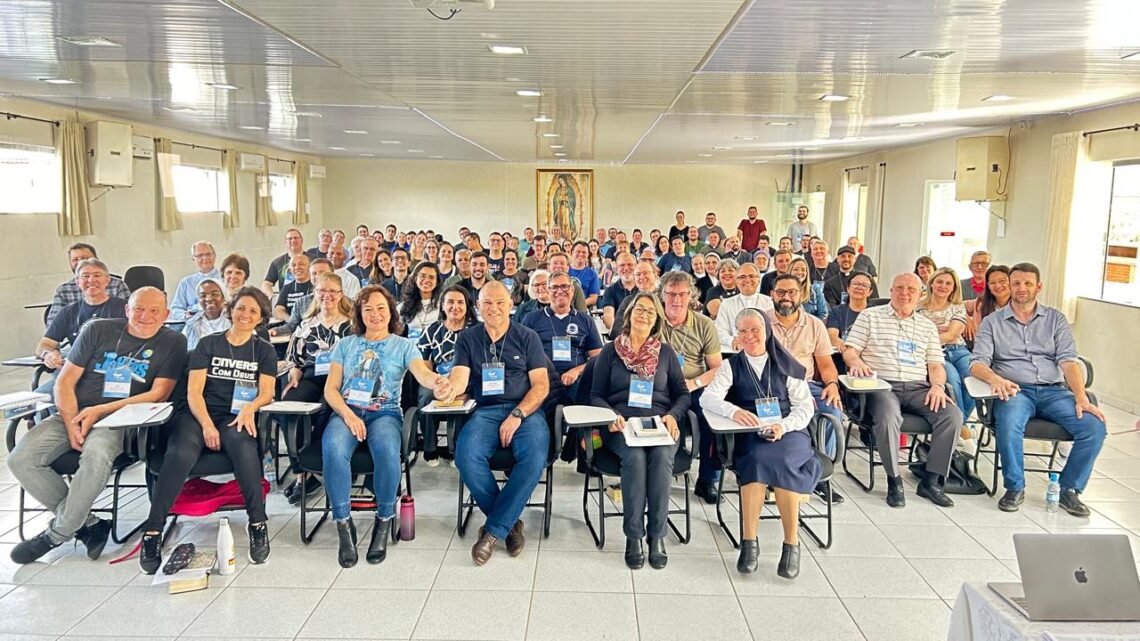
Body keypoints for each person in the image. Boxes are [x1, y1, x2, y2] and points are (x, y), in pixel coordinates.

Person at [9, 288, 186, 564]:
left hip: (120, 420)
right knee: (20, 459)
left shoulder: (173, 341)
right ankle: (89, 523)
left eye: (154, 311)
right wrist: (71, 423)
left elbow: (159, 393)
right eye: (138, 309)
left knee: (95, 456)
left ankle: (56, 535)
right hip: (73, 413)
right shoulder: (96, 330)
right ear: (127, 309)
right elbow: (64, 382)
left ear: (166, 315)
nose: (145, 316)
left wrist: (99, 411)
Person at [138, 288, 277, 574]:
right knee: (180, 454)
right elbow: (193, 392)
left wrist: (250, 408)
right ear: (231, 310)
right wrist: (206, 425)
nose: (245, 315)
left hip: (236, 414)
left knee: (245, 449)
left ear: (261, 317)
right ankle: (153, 531)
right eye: (241, 308)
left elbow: (266, 393)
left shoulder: (263, 350)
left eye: (253, 311)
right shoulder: (208, 344)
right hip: (197, 413)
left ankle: (257, 523)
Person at [323, 286, 447, 567]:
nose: (375, 314)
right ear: (359, 313)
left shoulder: (403, 345)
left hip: (385, 413)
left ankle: (383, 520)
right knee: (333, 449)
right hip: (347, 411)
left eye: (381, 308)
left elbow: (422, 373)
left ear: (391, 312)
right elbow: (331, 389)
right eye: (368, 309)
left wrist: (437, 382)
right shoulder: (346, 344)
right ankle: (344, 524)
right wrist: (348, 416)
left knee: (389, 453)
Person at [969, 263, 1106, 517]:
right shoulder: (992, 322)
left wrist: (1081, 397)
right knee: (1008, 423)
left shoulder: (1055, 319)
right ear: (1009, 286)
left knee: (1093, 426)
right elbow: (977, 362)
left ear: (1038, 287)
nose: (1021, 288)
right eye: (1016, 283)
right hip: (1014, 391)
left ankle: (1069, 490)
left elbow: (1068, 360)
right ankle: (1015, 487)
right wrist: (995, 379)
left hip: (1053, 391)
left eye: (1027, 283)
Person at [435, 282, 551, 566]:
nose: (494, 308)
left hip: (525, 410)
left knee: (535, 456)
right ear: (478, 306)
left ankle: (491, 532)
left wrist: (518, 414)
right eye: (487, 303)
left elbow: (541, 386)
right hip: (485, 410)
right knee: (466, 455)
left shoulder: (528, 336)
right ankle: (510, 526)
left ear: (511, 303)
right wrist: (447, 388)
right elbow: (460, 377)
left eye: (500, 302)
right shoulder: (468, 338)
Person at [702, 309, 819, 578]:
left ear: (767, 331)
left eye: (755, 330)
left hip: (789, 431)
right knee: (755, 462)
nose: (749, 336)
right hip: (753, 431)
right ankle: (749, 542)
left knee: (785, 463)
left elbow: (804, 408)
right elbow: (708, 398)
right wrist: (734, 411)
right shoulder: (732, 365)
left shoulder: (785, 364)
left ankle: (791, 543)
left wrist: (782, 426)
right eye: (742, 331)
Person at [841, 273, 962, 508]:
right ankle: (894, 479)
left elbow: (936, 365)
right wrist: (856, 362)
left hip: (919, 387)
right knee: (888, 417)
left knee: (952, 415)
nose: (904, 293)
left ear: (920, 295)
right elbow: (849, 350)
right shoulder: (870, 316)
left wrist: (937, 386)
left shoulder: (927, 326)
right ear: (891, 289)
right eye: (899, 288)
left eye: (911, 290)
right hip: (881, 385)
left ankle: (931, 480)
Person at [589, 292, 690, 569]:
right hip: (621, 425)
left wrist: (672, 415)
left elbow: (683, 394)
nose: (644, 314)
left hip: (659, 424)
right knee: (633, 458)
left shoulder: (666, 353)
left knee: (660, 457)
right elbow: (595, 394)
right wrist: (611, 415)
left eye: (650, 311)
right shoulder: (610, 351)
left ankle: (656, 535)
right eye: (639, 309)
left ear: (657, 319)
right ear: (629, 313)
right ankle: (633, 536)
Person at [767, 273, 844, 503]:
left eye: (792, 292)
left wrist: (832, 384)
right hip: (770, 388)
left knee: (832, 411)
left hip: (806, 386)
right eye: (781, 292)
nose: (786, 297)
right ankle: (773, 475)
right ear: (772, 295)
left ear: (801, 295)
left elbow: (826, 365)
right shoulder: (760, 321)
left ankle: (819, 477)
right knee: (771, 418)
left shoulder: (815, 325)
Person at [657, 273, 722, 505]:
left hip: (693, 386)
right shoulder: (653, 321)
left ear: (691, 296)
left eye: (682, 294)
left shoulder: (704, 324)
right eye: (671, 294)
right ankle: (649, 473)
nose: (676, 300)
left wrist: (693, 384)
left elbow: (717, 368)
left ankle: (707, 479)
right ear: (662, 295)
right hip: (659, 389)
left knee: (711, 416)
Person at [36, 259, 128, 393]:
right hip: (76, 372)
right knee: (41, 397)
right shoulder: (68, 312)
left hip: (113, 371)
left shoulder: (125, 308)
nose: (91, 280)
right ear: (77, 282)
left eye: (97, 275)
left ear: (107, 280)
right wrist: (48, 354)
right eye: (85, 276)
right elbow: (44, 344)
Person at [521, 271, 602, 409]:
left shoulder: (585, 320)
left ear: (572, 289)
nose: (560, 291)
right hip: (542, 379)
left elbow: (598, 358)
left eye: (564, 286)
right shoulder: (532, 319)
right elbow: (521, 354)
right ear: (548, 290)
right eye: (554, 287)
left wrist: (576, 371)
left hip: (576, 380)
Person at [417, 286, 478, 466]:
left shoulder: (476, 330)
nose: (455, 306)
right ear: (442, 305)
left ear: (468, 306)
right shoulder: (432, 330)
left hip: (467, 379)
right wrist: (435, 379)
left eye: (460, 302)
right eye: (450, 302)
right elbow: (425, 363)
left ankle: (457, 448)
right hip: (436, 379)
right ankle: (430, 448)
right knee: (425, 397)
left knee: (464, 397)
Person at [917, 268, 973, 420]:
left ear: (954, 287)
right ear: (932, 284)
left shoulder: (957, 307)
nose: (943, 286)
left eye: (949, 283)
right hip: (933, 354)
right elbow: (915, 334)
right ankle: (960, 428)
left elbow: (952, 335)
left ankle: (960, 423)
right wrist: (940, 332)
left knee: (974, 379)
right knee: (952, 381)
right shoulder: (918, 306)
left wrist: (930, 332)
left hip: (959, 350)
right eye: (939, 282)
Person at [47, 243, 131, 325]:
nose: (80, 262)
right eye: (75, 259)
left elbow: (131, 317)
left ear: (96, 260)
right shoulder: (64, 290)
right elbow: (52, 324)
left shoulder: (117, 285)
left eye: (85, 258)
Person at [716, 263, 775, 350]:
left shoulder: (770, 302)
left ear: (758, 280)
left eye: (751, 276)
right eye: (742, 277)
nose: (747, 280)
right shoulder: (726, 304)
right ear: (736, 281)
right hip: (736, 352)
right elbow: (719, 331)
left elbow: (774, 329)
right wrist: (732, 340)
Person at [609, 261, 660, 341]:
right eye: (638, 274)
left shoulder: (665, 298)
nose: (642, 277)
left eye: (645, 273)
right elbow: (617, 330)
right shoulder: (628, 301)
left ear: (655, 275)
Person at [171, 241, 221, 320]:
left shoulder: (225, 278)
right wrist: (186, 316)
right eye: (200, 255)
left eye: (208, 254)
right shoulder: (186, 282)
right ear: (193, 259)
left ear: (214, 256)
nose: (205, 258)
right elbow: (176, 309)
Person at [826, 271, 874, 353]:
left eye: (864, 285)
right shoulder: (836, 311)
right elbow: (832, 335)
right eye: (855, 284)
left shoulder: (875, 313)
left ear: (870, 292)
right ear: (848, 288)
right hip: (842, 354)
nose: (859, 288)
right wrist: (841, 344)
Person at [183, 278, 231, 351]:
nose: (208, 299)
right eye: (203, 295)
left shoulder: (233, 320)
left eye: (214, 294)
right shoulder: (192, 323)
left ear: (224, 297)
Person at [261, 228, 310, 298]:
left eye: (296, 238)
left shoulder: (313, 259)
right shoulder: (277, 262)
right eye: (290, 239)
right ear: (285, 242)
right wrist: (272, 297)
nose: (293, 240)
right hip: (286, 302)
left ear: (302, 241)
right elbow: (266, 283)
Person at [399, 262, 442, 340]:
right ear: (416, 279)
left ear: (436, 282)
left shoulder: (443, 305)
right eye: (422, 276)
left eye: (431, 277)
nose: (426, 280)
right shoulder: (402, 307)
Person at [601, 252, 637, 332]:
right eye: (622, 265)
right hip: (620, 334)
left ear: (636, 266)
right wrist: (621, 333)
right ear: (617, 268)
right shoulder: (610, 291)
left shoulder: (644, 289)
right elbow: (608, 316)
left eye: (630, 264)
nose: (626, 268)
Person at [274, 253, 313, 322]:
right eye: (293, 265)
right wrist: (290, 319)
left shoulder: (316, 286)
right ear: (290, 269)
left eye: (301, 264)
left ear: (310, 267)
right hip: (290, 326)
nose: (297, 267)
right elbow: (278, 310)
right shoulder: (286, 288)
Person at [789, 256, 828, 322]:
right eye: (796, 269)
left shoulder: (815, 289)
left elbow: (823, 314)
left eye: (803, 270)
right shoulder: (783, 291)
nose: (799, 272)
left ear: (807, 273)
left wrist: (812, 328)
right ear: (790, 271)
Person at [973, 264, 1011, 329]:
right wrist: (967, 320)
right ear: (988, 286)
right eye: (992, 283)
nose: (997, 286)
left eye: (1002, 281)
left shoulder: (1021, 304)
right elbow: (957, 306)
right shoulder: (981, 303)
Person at [569, 241, 601, 307]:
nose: (581, 254)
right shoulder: (564, 271)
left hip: (582, 309)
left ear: (588, 254)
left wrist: (577, 305)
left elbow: (593, 298)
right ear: (572, 253)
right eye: (578, 251)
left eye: (584, 252)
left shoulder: (592, 274)